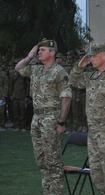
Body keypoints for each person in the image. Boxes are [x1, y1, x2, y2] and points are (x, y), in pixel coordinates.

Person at [15, 38, 72, 195]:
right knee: (41, 160)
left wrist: (61, 122)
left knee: (53, 160)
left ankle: (55, 192)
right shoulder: (36, 69)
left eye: (42, 50)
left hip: (51, 118)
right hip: (37, 119)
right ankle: (47, 191)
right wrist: (29, 57)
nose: (39, 52)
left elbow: (66, 98)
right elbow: (18, 68)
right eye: (39, 50)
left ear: (52, 53)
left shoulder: (59, 71)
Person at [69, 43, 105, 195]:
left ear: (104, 55)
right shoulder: (91, 76)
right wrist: (80, 66)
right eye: (90, 56)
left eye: (94, 56)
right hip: (93, 133)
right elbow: (73, 80)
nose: (91, 59)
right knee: (96, 174)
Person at [0, 65, 8, 130]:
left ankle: (2, 124)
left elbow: (5, 85)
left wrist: (4, 95)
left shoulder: (3, 74)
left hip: (1, 95)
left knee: (1, 111)